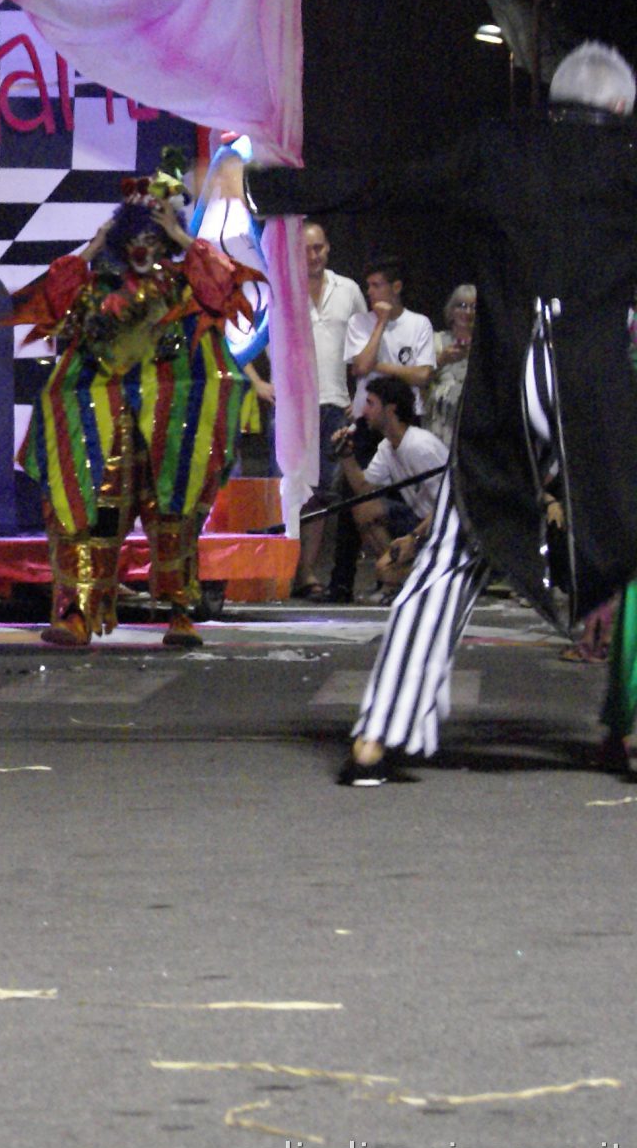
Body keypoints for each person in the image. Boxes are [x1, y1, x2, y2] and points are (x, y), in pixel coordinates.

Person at [248, 42, 637, 785]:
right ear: (620, 107)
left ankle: (379, 733)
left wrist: (266, 186)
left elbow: (388, 183)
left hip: (508, 379)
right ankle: (630, 730)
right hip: (591, 390)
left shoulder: (500, 149)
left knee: (454, 551)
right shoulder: (627, 162)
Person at [3, 156, 260, 650]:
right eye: (136, 239)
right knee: (89, 510)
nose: (145, 249)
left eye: (155, 239)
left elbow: (222, 285)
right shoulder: (99, 287)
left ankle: (180, 613)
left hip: (170, 418)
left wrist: (182, 236)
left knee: (174, 513)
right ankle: (77, 613)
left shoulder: (184, 283)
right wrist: (94, 245)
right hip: (106, 416)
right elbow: (55, 296)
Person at [293, 221, 368, 601]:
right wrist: (259, 383)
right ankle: (282, 570)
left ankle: (306, 572)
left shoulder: (348, 290)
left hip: (336, 402)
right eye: (307, 248)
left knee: (324, 493)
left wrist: (361, 397)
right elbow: (248, 334)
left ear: (328, 248)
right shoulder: (284, 287)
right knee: (289, 491)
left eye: (319, 247)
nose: (314, 255)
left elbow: (366, 349)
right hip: (293, 406)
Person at [335, 375, 447, 595]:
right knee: (365, 509)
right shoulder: (387, 447)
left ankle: (419, 577)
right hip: (421, 523)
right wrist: (346, 455)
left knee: (385, 572)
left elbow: (450, 503)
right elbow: (363, 489)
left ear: (390, 409)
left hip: (443, 528)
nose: (364, 411)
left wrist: (413, 538)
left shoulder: (419, 446)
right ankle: (401, 572)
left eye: (371, 404)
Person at [345, 255, 434, 391]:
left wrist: (376, 366)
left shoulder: (420, 323)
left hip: (406, 403)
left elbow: (423, 376)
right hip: (367, 403)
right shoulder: (358, 321)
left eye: (376, 285)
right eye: (368, 286)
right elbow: (361, 368)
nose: (369, 292)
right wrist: (381, 322)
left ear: (397, 287)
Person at [424, 283, 476, 445]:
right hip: (441, 422)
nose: (468, 312)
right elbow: (420, 379)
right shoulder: (436, 341)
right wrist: (441, 360)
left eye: (473, 307)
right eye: (462, 306)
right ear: (451, 310)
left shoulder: (486, 347)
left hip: (473, 420)